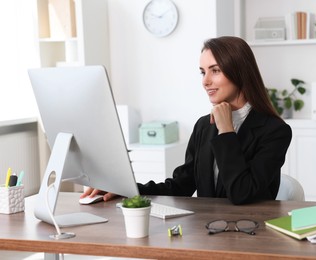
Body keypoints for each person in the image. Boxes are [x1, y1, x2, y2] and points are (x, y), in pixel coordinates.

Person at [81, 36, 292, 205]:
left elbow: (242, 193)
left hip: (251, 234)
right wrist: (126, 189)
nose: (205, 81)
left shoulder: (275, 131)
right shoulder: (203, 126)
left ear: (240, 72)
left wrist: (226, 130)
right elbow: (180, 186)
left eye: (215, 71)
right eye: (202, 72)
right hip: (208, 234)